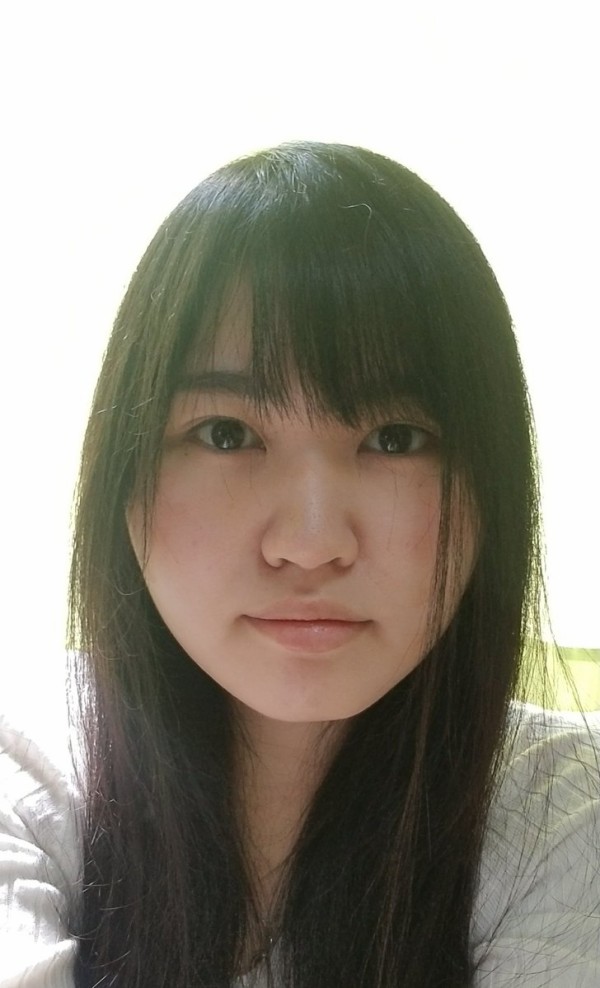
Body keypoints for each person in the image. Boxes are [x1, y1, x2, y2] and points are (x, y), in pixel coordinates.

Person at [1, 142, 598, 987]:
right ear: (124, 480)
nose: (312, 543)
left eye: (395, 438)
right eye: (227, 434)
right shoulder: (29, 775)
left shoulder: (562, 815)